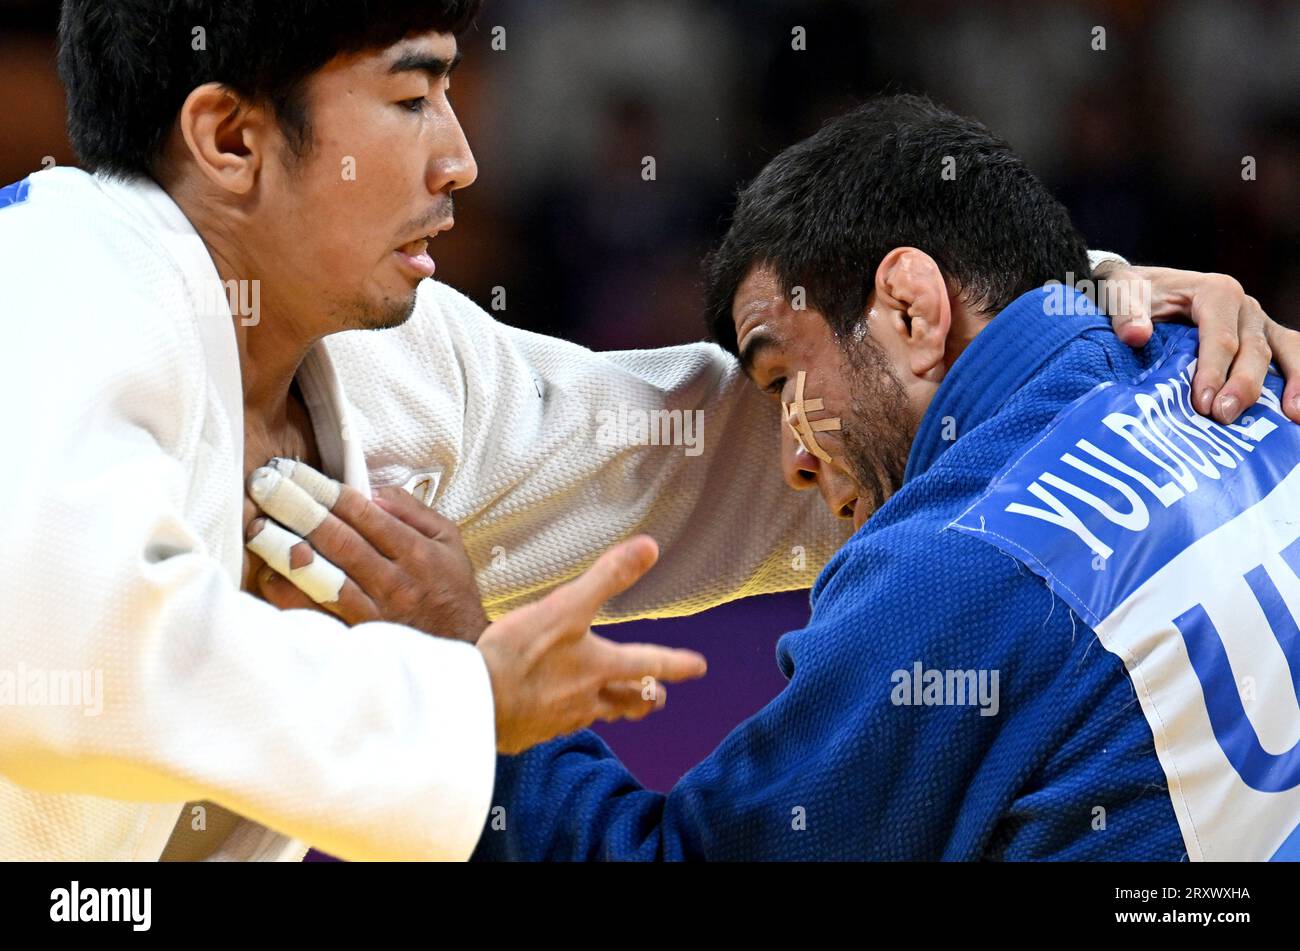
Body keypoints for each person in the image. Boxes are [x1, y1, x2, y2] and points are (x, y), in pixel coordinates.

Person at [0, 2, 1288, 862]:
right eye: (411, 100)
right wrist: (458, 704)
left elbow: (753, 438)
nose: (461, 159)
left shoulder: (413, 358)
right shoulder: (51, 278)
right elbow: (72, 661)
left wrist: (1092, 312)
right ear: (230, 135)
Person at [471, 95, 1300, 861]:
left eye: (781, 377)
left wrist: (473, 693)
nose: (795, 460)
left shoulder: (954, 568)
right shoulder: (1242, 362)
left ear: (910, 308)